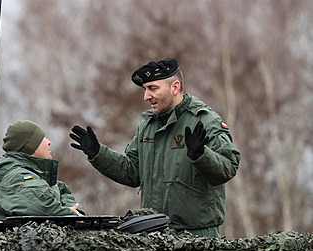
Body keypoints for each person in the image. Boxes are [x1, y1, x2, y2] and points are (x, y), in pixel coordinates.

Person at [70, 58, 240, 238]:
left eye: (153, 88)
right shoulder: (147, 126)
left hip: (198, 239)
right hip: (154, 235)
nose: (146, 96)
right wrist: (97, 153)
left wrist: (201, 155)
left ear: (174, 87)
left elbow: (229, 167)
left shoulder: (205, 120)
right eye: (145, 89)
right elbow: (132, 171)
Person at [0, 120, 82, 220]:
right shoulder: (17, 177)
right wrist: (73, 215)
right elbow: (44, 207)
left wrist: (72, 209)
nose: (49, 142)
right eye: (42, 138)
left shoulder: (35, 174)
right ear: (30, 146)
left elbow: (61, 190)